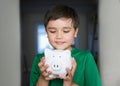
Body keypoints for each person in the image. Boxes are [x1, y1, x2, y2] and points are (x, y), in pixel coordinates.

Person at [30, 4, 102, 86]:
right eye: (53, 31)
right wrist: (43, 78)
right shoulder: (39, 60)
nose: (59, 36)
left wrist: (69, 83)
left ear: (75, 32)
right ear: (46, 32)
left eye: (66, 31)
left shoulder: (86, 58)